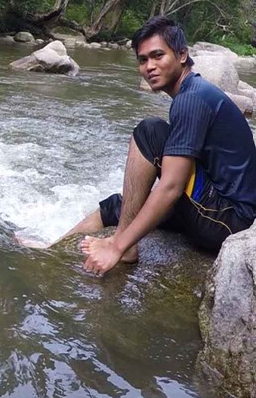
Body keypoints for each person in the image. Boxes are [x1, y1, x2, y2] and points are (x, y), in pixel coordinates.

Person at [62, 15, 256, 276]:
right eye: (143, 60)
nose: (149, 66)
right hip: (218, 208)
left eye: (157, 56)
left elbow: (172, 186)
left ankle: (125, 249)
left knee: (150, 131)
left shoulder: (192, 99)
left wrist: (117, 246)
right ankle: (51, 249)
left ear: (182, 55)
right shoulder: (193, 92)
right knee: (118, 206)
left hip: (229, 220)